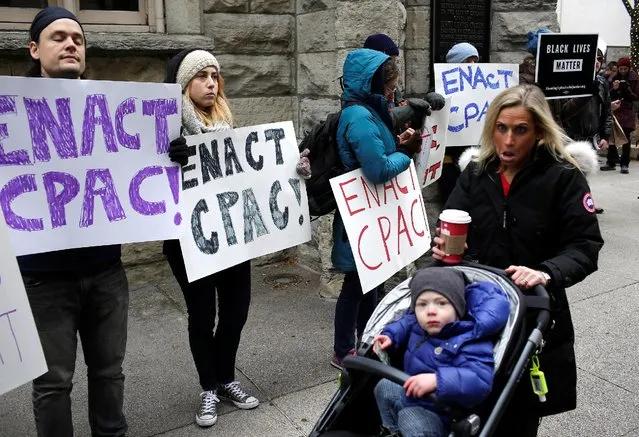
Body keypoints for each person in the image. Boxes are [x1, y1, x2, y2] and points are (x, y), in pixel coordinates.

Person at [432, 84, 603, 436]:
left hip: (530, 312)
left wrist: (545, 272)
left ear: (538, 131)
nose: (508, 141)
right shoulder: (477, 172)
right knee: (467, 405)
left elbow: (585, 246)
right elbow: (451, 220)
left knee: (517, 415)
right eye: (502, 128)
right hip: (476, 307)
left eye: (520, 130)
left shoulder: (564, 177)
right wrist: (444, 248)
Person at [18, 7, 130, 437]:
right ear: (34, 49)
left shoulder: (119, 110)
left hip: (106, 272)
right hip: (42, 279)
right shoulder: (9, 114)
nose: (70, 44)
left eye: (78, 39)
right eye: (58, 37)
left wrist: (167, 154)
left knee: (109, 372)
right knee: (52, 383)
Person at [163, 49, 260, 427]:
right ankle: (209, 386)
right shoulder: (167, 132)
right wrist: (168, 158)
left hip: (232, 236)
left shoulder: (227, 126)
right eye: (201, 76)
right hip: (188, 242)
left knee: (236, 312)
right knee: (202, 316)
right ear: (184, 85)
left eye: (214, 75)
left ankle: (226, 379)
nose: (210, 82)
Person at [330, 48, 424, 370]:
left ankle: (366, 342)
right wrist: (407, 153)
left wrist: (398, 145)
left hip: (372, 212)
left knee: (370, 283)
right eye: (389, 87)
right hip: (361, 215)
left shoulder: (367, 112)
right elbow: (377, 170)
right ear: (373, 85)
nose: (393, 92)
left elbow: (380, 153)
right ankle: (344, 352)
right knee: (356, 285)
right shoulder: (358, 117)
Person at [373, 267, 510, 437]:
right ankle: (393, 431)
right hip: (416, 398)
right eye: (422, 304)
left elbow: (479, 381)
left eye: (441, 303)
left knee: (410, 417)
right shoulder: (417, 324)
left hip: (443, 414)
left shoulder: (470, 339)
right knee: (385, 386)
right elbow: (403, 324)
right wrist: (389, 336)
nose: (431, 311)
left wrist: (438, 380)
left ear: (458, 307)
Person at [561, 48, 612, 213]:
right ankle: (573, 204)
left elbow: (606, 111)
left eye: (599, 59)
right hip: (571, 135)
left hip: (592, 134)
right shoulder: (572, 80)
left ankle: (585, 201)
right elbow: (566, 109)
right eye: (593, 59)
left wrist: (606, 134)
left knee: (585, 173)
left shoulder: (602, 83)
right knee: (570, 172)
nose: (596, 62)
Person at [438, 42, 480, 204]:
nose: (473, 65)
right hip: (449, 160)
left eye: (475, 61)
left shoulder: (482, 91)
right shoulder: (440, 88)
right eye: (467, 61)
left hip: (475, 157)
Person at [601, 56, 639, 174]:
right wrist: (614, 88)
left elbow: (636, 97)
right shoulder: (613, 77)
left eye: (625, 69)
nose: (623, 71)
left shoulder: (634, 79)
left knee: (626, 137)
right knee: (612, 135)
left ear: (629, 68)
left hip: (627, 111)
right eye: (621, 69)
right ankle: (611, 161)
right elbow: (606, 94)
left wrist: (626, 89)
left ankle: (624, 163)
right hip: (615, 109)